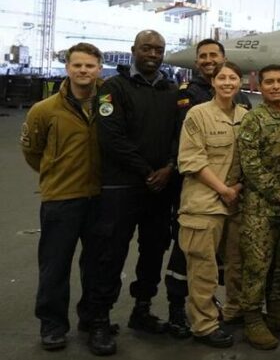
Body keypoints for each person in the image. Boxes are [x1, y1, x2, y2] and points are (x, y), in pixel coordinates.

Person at [85, 30, 180, 356]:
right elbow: (111, 138)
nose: (153, 53)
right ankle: (99, 319)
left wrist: (169, 166)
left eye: (159, 49)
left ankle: (142, 309)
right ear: (133, 51)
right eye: (147, 48)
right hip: (122, 188)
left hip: (160, 188)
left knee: (154, 250)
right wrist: (146, 171)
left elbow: (178, 134)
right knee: (110, 254)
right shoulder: (113, 88)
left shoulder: (172, 90)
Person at [164, 39, 253, 335]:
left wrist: (236, 190)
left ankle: (232, 312)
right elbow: (190, 159)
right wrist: (225, 190)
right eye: (222, 78)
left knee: (234, 265)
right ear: (213, 82)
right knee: (202, 269)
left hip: (236, 203)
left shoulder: (245, 116)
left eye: (232, 78)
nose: (227, 82)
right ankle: (204, 325)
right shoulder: (197, 113)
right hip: (204, 202)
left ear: (240, 83)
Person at [21, 43, 105, 351]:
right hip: (60, 199)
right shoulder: (44, 110)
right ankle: (53, 324)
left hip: (100, 198)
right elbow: (32, 151)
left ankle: (93, 319)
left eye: (90, 66)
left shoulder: (109, 105)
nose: (84, 71)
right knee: (55, 266)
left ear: (99, 69)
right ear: (67, 67)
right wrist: (54, 174)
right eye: (78, 65)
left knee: (97, 265)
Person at [237, 64, 280, 350]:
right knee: (257, 265)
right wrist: (278, 192)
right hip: (260, 207)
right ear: (259, 87)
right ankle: (252, 319)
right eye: (269, 82)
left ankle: (275, 311)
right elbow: (250, 164)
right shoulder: (254, 120)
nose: (276, 86)